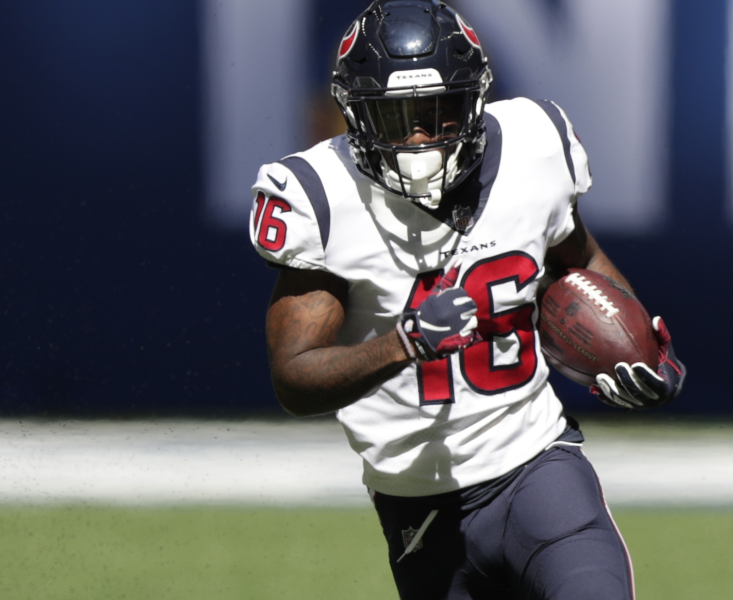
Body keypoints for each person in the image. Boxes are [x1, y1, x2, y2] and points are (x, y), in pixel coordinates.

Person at [248, 1, 686, 598]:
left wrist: (639, 349)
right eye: (395, 117)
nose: (419, 138)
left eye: (438, 112)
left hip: (538, 465)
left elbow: (578, 260)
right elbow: (294, 378)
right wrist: (403, 344)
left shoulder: (534, 144)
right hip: (419, 506)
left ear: (476, 100)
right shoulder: (320, 196)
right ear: (352, 114)